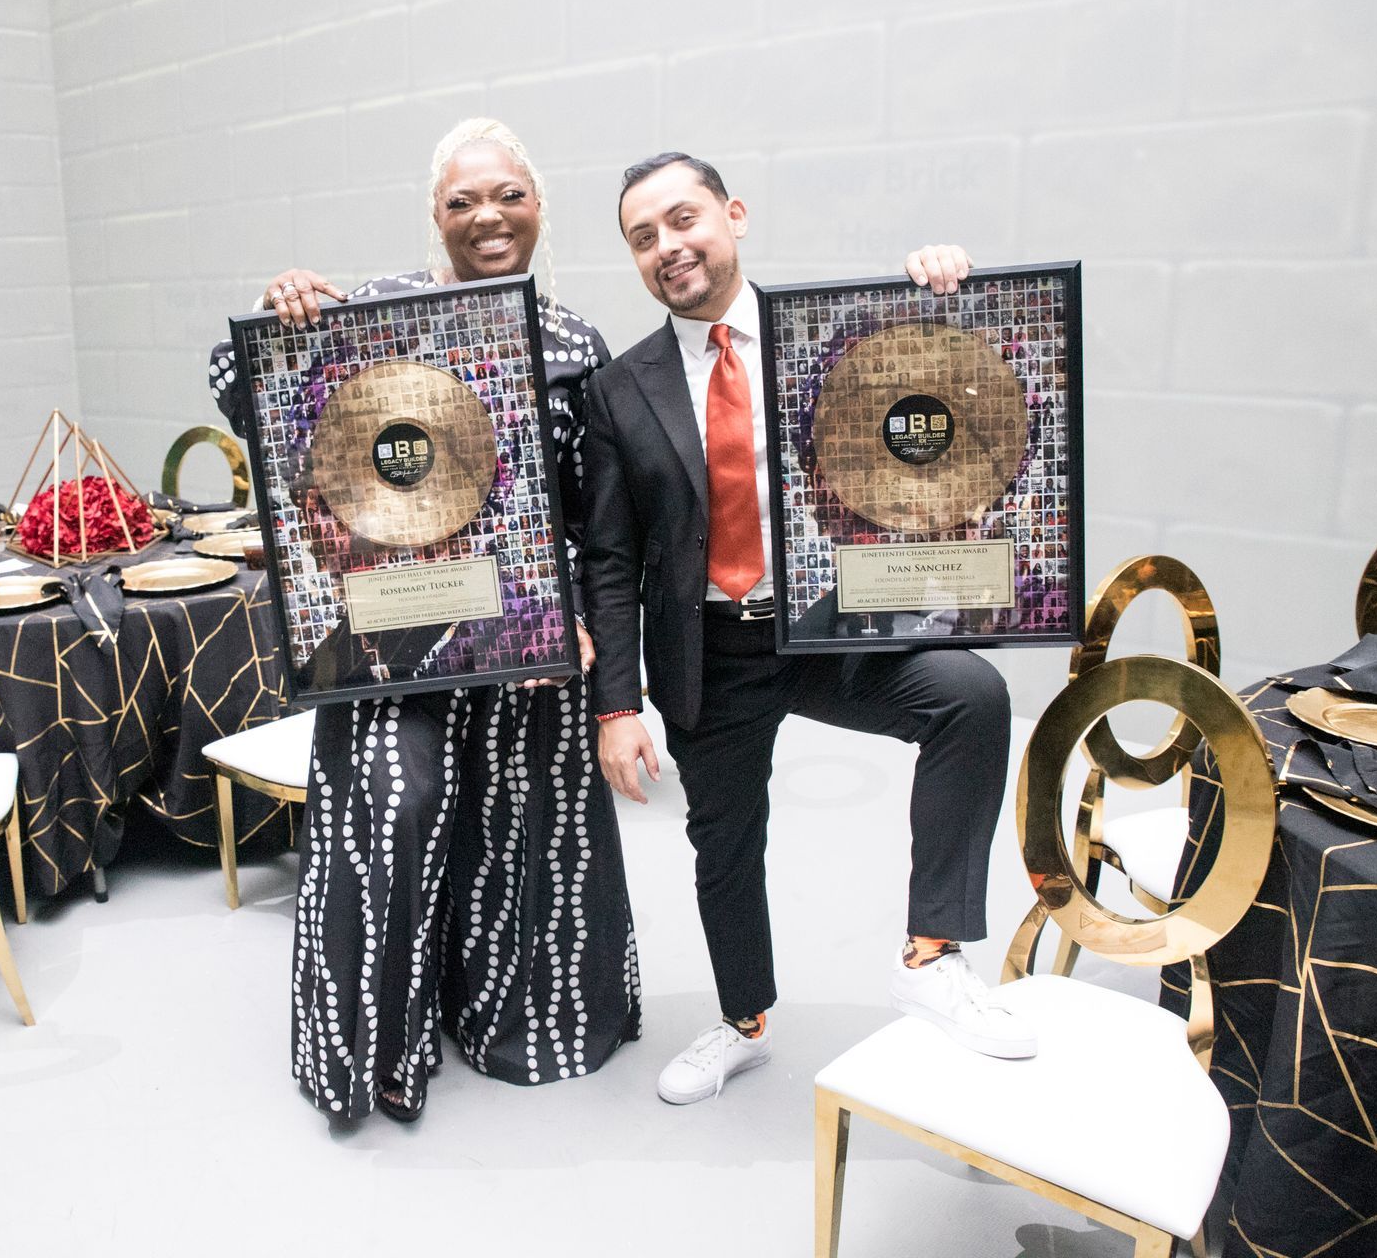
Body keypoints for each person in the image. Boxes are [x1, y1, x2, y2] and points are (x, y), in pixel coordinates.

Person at [580, 151, 1035, 1107]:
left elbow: (941, 393)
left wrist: (938, 293)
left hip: (829, 629)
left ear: (734, 215)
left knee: (969, 697)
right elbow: (611, 560)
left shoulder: (834, 337)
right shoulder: (621, 389)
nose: (668, 246)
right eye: (643, 236)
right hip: (711, 653)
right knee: (725, 845)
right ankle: (742, 1022)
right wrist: (616, 704)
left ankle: (931, 956)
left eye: (684, 218)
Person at [209, 118, 640, 1122]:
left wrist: (576, 617)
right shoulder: (374, 314)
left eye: (509, 195)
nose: (488, 215)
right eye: (463, 200)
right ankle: (377, 1043)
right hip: (390, 637)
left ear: (539, 208)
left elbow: (599, 517)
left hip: (523, 638)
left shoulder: (575, 342)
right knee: (395, 804)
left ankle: (515, 1017)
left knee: (524, 822)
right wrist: (282, 315)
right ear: (435, 217)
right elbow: (255, 394)